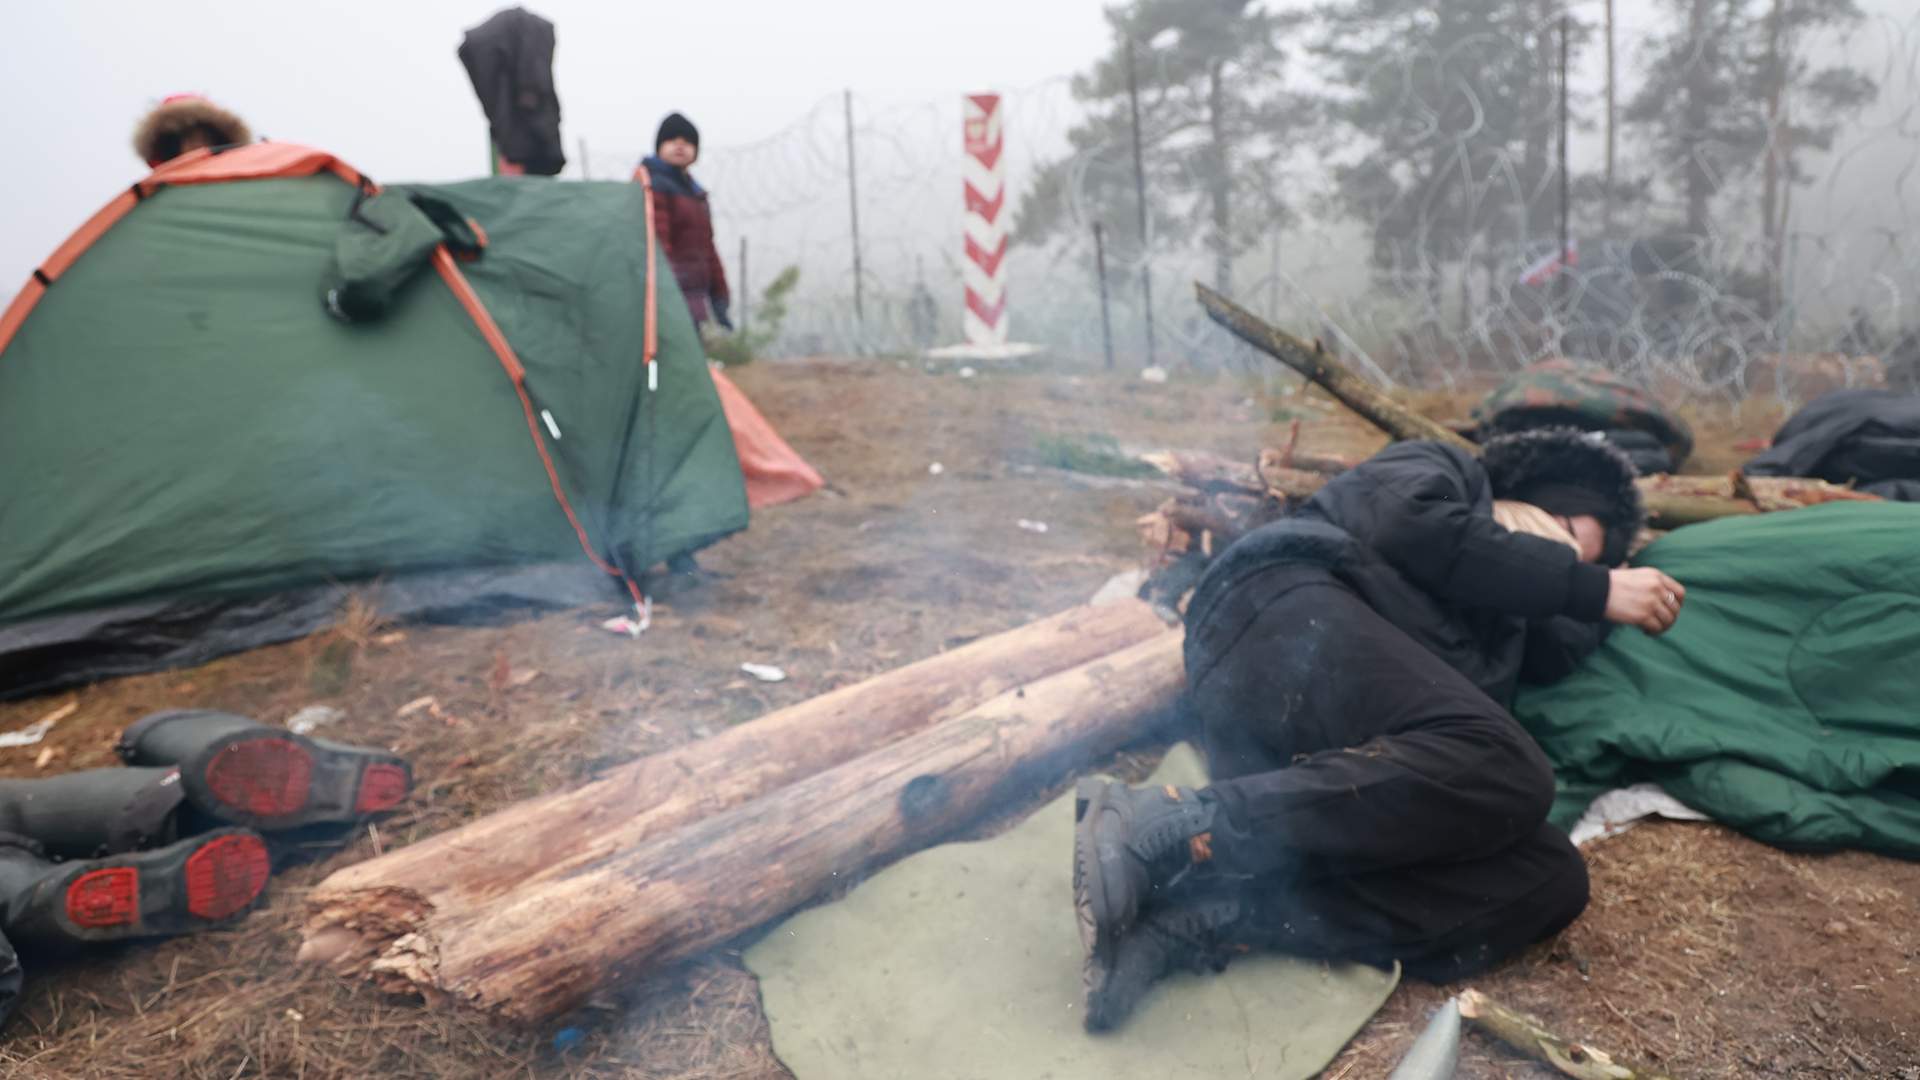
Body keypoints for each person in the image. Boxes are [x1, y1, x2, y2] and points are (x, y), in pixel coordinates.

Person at [1072, 428, 1685, 1031]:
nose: (1569, 556)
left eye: (1586, 557)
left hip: (1314, 771)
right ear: (1527, 495)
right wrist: (1594, 584)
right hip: (1277, 609)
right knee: (1511, 765)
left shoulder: (1509, 631)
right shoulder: (1449, 473)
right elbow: (1409, 526)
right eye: (1570, 533)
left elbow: (1562, 638)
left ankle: (1204, 915)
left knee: (1548, 876)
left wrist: (1605, 589)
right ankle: (1172, 825)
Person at [639, 113, 732, 331]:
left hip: (693, 295)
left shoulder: (696, 195)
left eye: (688, 142)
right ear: (659, 146)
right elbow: (657, 243)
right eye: (672, 140)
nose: (680, 145)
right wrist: (665, 288)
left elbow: (707, 248)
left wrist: (719, 295)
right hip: (666, 295)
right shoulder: (653, 187)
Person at [132, 94, 251, 168]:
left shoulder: (235, 185)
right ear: (173, 146)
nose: (199, 144)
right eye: (190, 139)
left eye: (205, 138)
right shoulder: (157, 195)